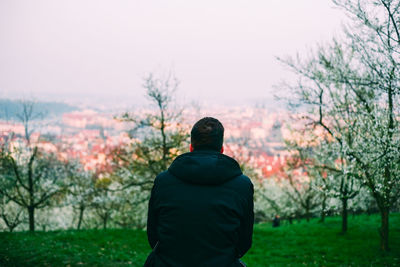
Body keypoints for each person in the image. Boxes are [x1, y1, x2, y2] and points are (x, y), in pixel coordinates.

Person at [144, 117, 254, 267]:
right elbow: (244, 242)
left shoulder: (163, 181)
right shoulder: (242, 185)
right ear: (221, 150)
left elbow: (153, 236)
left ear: (191, 147)